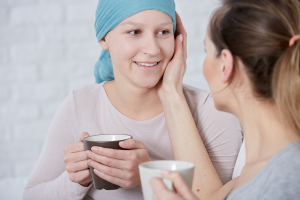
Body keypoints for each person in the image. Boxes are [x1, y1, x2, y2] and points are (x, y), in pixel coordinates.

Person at [22, 0, 243, 200]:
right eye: (135, 31)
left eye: (163, 31)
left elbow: (219, 198)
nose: (152, 49)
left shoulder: (213, 111)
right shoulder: (80, 104)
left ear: (178, 38)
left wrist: (146, 173)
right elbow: (31, 195)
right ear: (103, 38)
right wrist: (75, 181)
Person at [150, 0, 300, 199]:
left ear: (225, 65)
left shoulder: (285, 178)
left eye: (207, 51)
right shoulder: (260, 169)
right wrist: (169, 90)